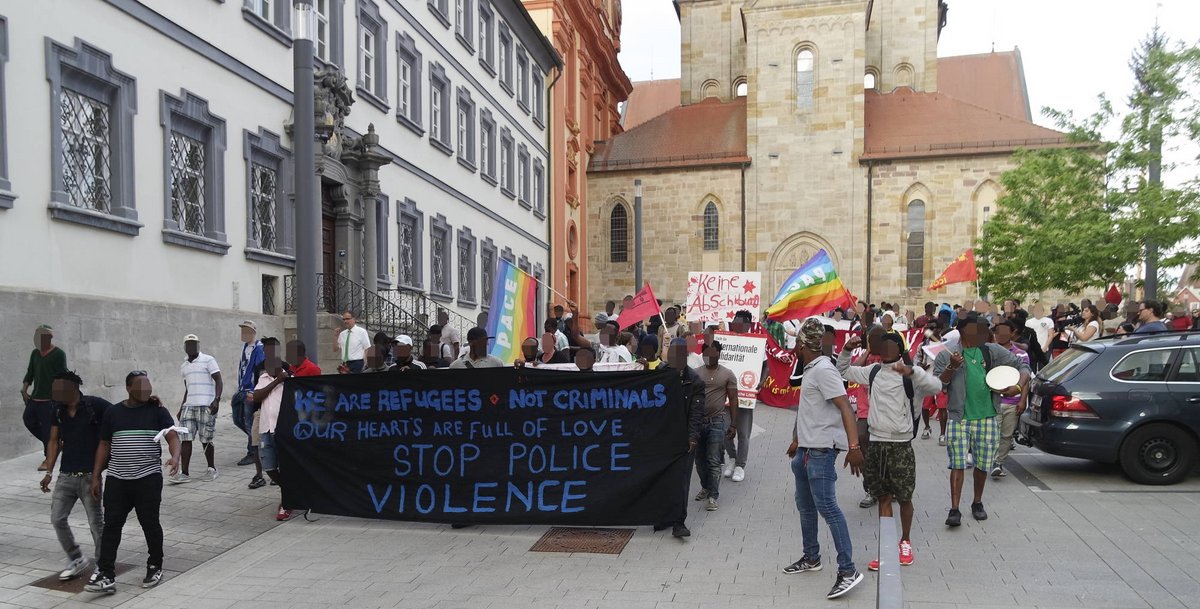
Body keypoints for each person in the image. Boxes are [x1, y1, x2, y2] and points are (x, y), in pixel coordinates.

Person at [837, 333, 939, 570]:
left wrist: (913, 372)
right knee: (882, 496)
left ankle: (905, 541)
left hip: (901, 444)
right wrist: (845, 349)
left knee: (904, 497)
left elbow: (936, 386)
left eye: (892, 345)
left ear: (900, 348)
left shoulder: (910, 374)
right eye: (884, 345)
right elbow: (843, 370)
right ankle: (885, 550)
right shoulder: (872, 371)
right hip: (877, 443)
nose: (887, 349)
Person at [782, 318, 866, 600]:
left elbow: (845, 407)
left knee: (828, 508)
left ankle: (848, 570)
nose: (794, 345)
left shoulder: (823, 370)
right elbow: (811, 411)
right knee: (805, 507)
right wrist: (797, 441)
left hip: (821, 451)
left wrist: (853, 446)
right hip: (806, 449)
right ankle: (811, 557)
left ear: (803, 344)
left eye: (796, 341)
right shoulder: (812, 368)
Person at [86, 371, 181, 594]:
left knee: (149, 522)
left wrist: (175, 457)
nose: (146, 389)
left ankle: (155, 565)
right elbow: (104, 444)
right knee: (111, 526)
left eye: (148, 385)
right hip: (118, 479)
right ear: (128, 388)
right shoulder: (113, 412)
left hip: (147, 477)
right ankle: (106, 574)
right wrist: (96, 475)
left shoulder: (157, 410)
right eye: (141, 385)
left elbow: (172, 435)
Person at [932, 314, 1031, 527]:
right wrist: (951, 366)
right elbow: (939, 385)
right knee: (957, 465)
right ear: (961, 330)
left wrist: (1018, 387)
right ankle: (954, 509)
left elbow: (1023, 366)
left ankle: (977, 502)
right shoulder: (946, 355)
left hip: (987, 417)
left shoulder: (991, 351)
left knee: (982, 465)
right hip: (959, 418)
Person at [41, 371, 110, 582]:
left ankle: (103, 566)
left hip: (91, 476)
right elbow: (54, 440)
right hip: (66, 476)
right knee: (57, 518)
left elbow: (119, 413)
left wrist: (150, 402)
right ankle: (76, 558)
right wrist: (49, 471)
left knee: (96, 523)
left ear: (73, 387)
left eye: (59, 388)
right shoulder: (58, 410)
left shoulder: (94, 405)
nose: (56, 393)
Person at [652, 338, 705, 538]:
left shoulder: (695, 381)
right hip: (662, 436)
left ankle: (679, 521)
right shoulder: (660, 374)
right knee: (662, 477)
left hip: (683, 437)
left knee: (682, 480)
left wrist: (692, 437)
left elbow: (696, 413)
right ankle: (663, 516)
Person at [693, 342, 738, 511]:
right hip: (697, 423)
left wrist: (733, 424)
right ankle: (705, 487)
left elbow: (733, 399)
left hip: (717, 422)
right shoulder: (696, 374)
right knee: (699, 460)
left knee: (713, 460)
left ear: (719, 353)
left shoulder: (727, 374)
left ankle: (713, 496)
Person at [174, 334, 222, 484]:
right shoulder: (184, 366)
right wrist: (182, 407)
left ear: (198, 345)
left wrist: (216, 400)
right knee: (186, 439)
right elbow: (187, 388)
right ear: (184, 347)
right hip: (189, 406)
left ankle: (211, 468)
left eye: (194, 344)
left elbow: (219, 380)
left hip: (206, 405)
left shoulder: (208, 360)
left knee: (206, 438)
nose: (191, 346)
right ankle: (185, 473)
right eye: (188, 344)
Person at [252, 350, 292, 521]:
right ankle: (293, 490)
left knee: (285, 466)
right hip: (266, 428)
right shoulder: (264, 379)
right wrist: (276, 380)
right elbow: (257, 396)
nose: (268, 369)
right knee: (269, 467)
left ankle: (286, 502)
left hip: (282, 429)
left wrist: (283, 379)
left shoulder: (289, 381)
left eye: (271, 366)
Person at [24, 324, 69, 465]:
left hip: (50, 399)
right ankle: (56, 443)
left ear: (50, 337)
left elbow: (63, 374)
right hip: (35, 397)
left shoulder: (58, 354)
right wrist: (24, 389)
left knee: (47, 428)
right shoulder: (35, 353)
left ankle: (48, 458)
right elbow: (30, 372)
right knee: (28, 420)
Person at [990, 321, 1029, 478]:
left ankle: (998, 463)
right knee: (993, 434)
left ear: (1013, 333)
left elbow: (1025, 377)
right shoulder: (989, 352)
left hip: (1013, 402)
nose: (1001, 335)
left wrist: (1022, 400)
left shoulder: (1020, 354)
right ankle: (989, 460)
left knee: (1006, 435)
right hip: (994, 401)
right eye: (998, 332)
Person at [232, 320, 265, 467]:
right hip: (242, 389)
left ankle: (252, 451)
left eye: (246, 330)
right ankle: (257, 441)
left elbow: (259, 369)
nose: (243, 333)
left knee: (248, 421)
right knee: (238, 419)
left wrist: (255, 389)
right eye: (242, 330)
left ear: (253, 332)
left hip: (250, 390)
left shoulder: (259, 348)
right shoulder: (245, 347)